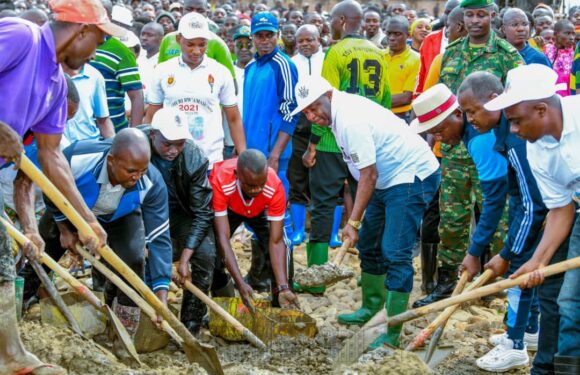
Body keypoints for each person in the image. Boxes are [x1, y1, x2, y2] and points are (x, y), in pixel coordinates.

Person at [0, 0, 118, 372]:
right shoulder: (22, 37)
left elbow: (53, 157)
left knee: (2, 263)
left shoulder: (55, 84)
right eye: (97, 42)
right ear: (80, 31)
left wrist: (87, 221)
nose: (95, 53)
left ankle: (10, 354)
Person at [413, 75, 559, 371]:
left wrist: (492, 252)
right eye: (433, 134)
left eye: (440, 129)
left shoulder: (484, 138)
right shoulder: (479, 129)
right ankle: (528, 331)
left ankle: (515, 343)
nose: (439, 138)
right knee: (523, 265)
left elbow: (497, 198)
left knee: (520, 269)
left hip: (545, 203)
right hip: (532, 199)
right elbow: (513, 190)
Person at [292, 76, 440, 348]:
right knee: (370, 243)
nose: (312, 116)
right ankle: (372, 307)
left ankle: (392, 331)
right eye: (306, 113)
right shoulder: (335, 117)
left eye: (314, 108)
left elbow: (368, 174)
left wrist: (353, 221)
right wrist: (359, 223)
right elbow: (360, 170)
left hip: (410, 174)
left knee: (395, 251)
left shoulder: (349, 119)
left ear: (328, 94)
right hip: (384, 178)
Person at [413, 0, 523, 308]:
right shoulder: (451, 52)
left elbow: (517, 104)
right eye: (469, 15)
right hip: (455, 152)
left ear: (491, 15)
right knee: (451, 220)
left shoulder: (507, 55)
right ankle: (449, 283)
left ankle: (499, 284)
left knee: (499, 216)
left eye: (481, 14)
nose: (475, 21)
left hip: (493, 151)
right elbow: (439, 102)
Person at [485, 63, 580, 374]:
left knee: (572, 302)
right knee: (555, 292)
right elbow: (560, 209)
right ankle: (551, 368)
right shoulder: (536, 149)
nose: (513, 130)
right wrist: (538, 261)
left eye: (515, 121)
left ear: (541, 110)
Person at [303, 0, 391, 301]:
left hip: (331, 140)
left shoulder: (336, 52)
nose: (328, 25)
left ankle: (316, 277)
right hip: (368, 139)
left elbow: (321, 101)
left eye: (331, 20)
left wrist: (313, 144)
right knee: (368, 207)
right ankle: (370, 279)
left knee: (323, 204)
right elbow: (387, 99)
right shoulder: (379, 54)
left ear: (342, 20)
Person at [139, 108, 229, 335]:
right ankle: (137, 311)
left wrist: (185, 260)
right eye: (167, 144)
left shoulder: (195, 158)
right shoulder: (135, 146)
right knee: (132, 252)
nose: (173, 150)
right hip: (140, 212)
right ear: (153, 135)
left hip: (180, 213)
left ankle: (190, 323)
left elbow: (202, 213)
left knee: (206, 254)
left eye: (179, 144)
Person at [146, 12, 246, 170]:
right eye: (190, 44)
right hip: (171, 160)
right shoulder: (162, 71)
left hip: (209, 161)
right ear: (179, 40)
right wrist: (145, 150)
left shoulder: (221, 72)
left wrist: (243, 155)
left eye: (202, 44)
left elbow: (233, 118)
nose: (197, 51)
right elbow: (152, 115)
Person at [210, 150, 300, 310]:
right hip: (230, 208)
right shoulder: (220, 179)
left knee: (285, 246)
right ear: (237, 174)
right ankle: (223, 302)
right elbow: (223, 238)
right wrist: (240, 282)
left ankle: (281, 297)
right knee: (212, 249)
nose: (256, 190)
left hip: (260, 210)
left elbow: (276, 241)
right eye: (250, 185)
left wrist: (283, 286)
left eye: (261, 184)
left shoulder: (274, 185)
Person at [287, 24, 324, 247]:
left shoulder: (327, 60)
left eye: (309, 40)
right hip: (299, 127)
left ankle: (326, 232)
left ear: (319, 39)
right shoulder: (292, 63)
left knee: (325, 179)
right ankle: (299, 230)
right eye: (301, 41)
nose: (305, 44)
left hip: (325, 125)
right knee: (297, 177)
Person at [90, 1, 144, 131]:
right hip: (77, 132)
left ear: (108, 17)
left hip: (113, 132)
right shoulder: (73, 45)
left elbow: (136, 96)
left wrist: (132, 135)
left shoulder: (122, 52)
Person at [157, 0, 236, 83]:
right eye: (189, 9)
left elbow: (231, 84)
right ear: (181, 10)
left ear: (207, 14)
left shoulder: (217, 43)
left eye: (200, 11)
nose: (194, 14)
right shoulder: (168, 40)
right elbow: (159, 77)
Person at [62, 61, 115, 143]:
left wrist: (113, 144)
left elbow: (103, 120)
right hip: (55, 146)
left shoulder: (94, 76)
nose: (93, 56)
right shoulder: (46, 71)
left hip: (88, 145)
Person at [415, 0, 460, 95]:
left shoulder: (469, 41)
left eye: (454, 13)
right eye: (447, 12)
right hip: (430, 97)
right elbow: (421, 74)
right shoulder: (429, 39)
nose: (449, 17)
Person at [385, 16, 420, 121]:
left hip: (401, 117)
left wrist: (372, 101)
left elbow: (406, 98)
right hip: (377, 113)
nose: (391, 38)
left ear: (408, 35)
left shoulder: (416, 60)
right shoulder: (378, 56)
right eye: (389, 33)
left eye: (397, 34)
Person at [543, 19, 575, 97]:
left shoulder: (575, 54)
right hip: (549, 97)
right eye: (567, 33)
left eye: (573, 34)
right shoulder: (546, 49)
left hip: (569, 99)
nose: (571, 37)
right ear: (555, 34)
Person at [138, 22, 164, 104]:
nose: (144, 38)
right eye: (142, 34)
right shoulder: (137, 58)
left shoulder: (163, 62)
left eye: (149, 35)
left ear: (161, 39)